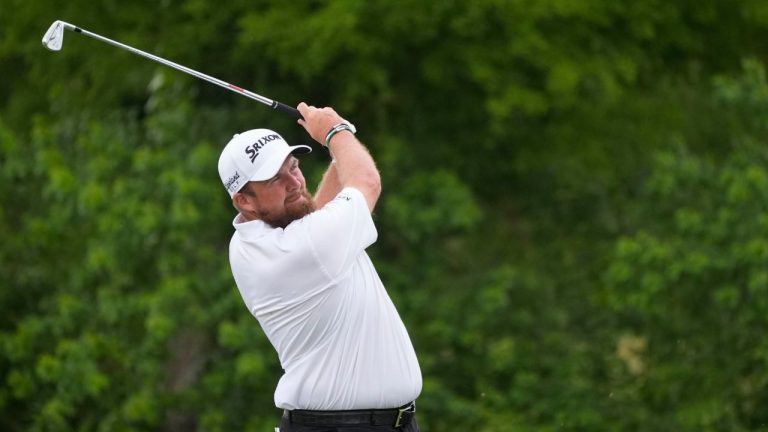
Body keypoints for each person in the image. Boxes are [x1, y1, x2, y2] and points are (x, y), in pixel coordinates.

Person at [217, 103, 422, 431]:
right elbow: (366, 182)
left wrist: (341, 137)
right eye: (274, 179)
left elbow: (321, 211)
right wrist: (335, 132)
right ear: (244, 200)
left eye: (293, 167)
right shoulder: (302, 248)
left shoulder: (252, 240)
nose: (294, 182)